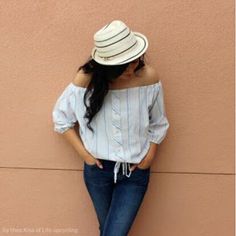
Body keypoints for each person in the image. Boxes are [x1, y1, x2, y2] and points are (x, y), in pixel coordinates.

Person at [52, 20, 170, 236]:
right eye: (124, 64)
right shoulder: (85, 80)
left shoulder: (149, 78)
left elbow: (158, 122)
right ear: (107, 66)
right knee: (107, 230)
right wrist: (86, 156)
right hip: (98, 172)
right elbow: (61, 120)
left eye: (134, 60)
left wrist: (150, 156)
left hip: (135, 172)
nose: (132, 67)